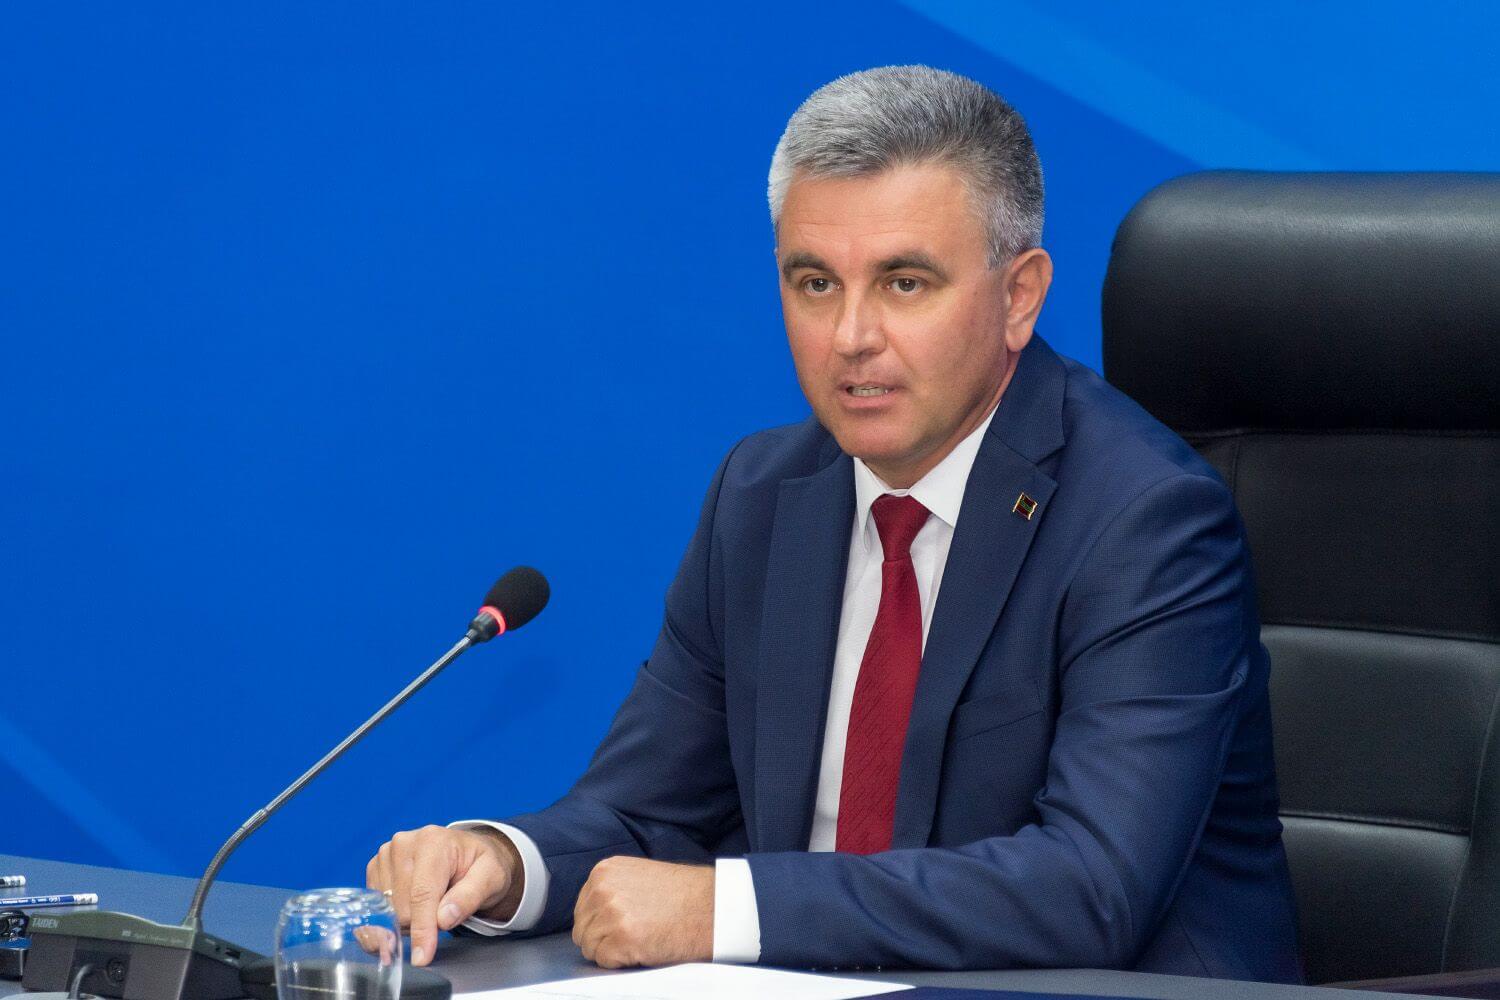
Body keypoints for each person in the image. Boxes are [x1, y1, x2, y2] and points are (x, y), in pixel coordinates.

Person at [367, 65, 1302, 982]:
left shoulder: (1145, 520)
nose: (851, 337)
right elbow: (644, 813)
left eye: (904, 283)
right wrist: (502, 864)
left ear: (1019, 295)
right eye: (815, 283)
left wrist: (725, 909)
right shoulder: (763, 493)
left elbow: (1092, 887)